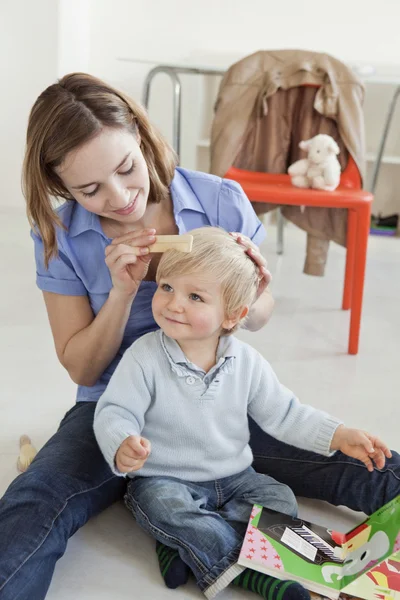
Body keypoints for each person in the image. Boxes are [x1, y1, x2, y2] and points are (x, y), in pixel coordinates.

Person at [0, 72, 398, 600]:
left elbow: (260, 322)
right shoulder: (58, 236)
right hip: (116, 411)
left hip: (217, 405)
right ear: (59, 186)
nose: (120, 198)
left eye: (126, 168)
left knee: (370, 464)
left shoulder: (219, 200)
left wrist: (252, 295)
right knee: (35, 499)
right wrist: (121, 293)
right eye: (89, 190)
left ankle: (200, 539)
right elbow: (82, 368)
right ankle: (198, 540)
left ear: (142, 138)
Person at [93, 226, 392, 600]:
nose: (173, 303)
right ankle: (252, 574)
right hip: (165, 479)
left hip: (235, 476)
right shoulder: (145, 355)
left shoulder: (246, 362)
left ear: (233, 315)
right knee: (164, 508)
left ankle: (184, 545)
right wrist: (122, 441)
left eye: (195, 296)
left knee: (280, 500)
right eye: (166, 287)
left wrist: (339, 434)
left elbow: (286, 413)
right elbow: (113, 410)